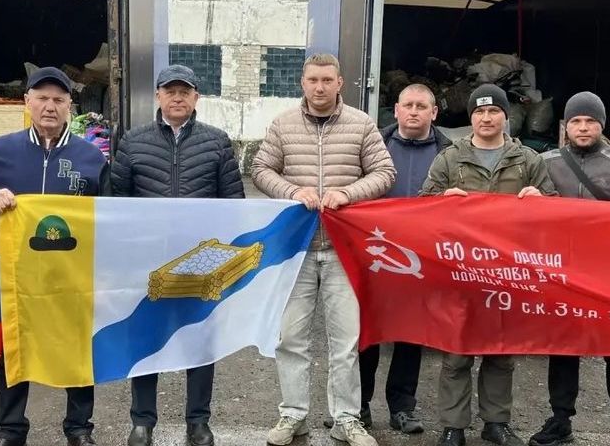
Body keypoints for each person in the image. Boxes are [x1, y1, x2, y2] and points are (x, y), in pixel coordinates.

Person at [253, 53, 396, 446]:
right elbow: (261, 169)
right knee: (290, 338)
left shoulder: (361, 124)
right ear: (303, 83)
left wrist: (348, 193)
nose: (319, 87)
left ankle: (346, 419)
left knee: (346, 342)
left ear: (339, 83)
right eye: (313, 80)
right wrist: (291, 190)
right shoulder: (283, 124)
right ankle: (293, 414)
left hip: (343, 251)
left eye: (327, 80)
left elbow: (385, 172)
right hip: (295, 251)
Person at [0, 67, 109, 446]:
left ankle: (79, 428)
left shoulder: (92, 158)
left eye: (58, 100)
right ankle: (11, 428)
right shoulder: (1, 151)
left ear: (69, 105)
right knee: (14, 348)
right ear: (27, 102)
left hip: (73, 275)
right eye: (42, 98)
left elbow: (110, 215)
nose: (50, 106)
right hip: (17, 275)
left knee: (78, 348)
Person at [110, 64, 244, 446]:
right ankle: (142, 421)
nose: (177, 97)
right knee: (145, 339)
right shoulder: (132, 142)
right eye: (170, 91)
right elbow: (116, 203)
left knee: (199, 342)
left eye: (185, 91)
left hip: (200, 263)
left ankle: (198, 421)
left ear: (196, 97)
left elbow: (234, 203)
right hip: (148, 262)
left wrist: (223, 258)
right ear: (158, 96)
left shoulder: (217, 142)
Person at [420, 83, 556, 446]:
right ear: (471, 118)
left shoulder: (528, 160)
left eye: (493, 110)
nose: (486, 118)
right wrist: (440, 200)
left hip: (507, 273)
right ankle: (453, 426)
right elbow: (421, 207)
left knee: (501, 352)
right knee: (456, 353)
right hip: (460, 271)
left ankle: (496, 423)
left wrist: (540, 200)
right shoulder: (450, 159)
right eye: (479, 112)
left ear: (505, 116)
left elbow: (555, 210)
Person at [327, 84, 449, 434]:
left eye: (421, 106)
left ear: (434, 113)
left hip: (422, 258)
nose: (414, 111)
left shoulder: (448, 152)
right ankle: (358, 406)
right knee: (366, 332)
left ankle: (403, 407)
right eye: (408, 105)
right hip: (374, 253)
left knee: (411, 334)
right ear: (396, 110)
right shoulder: (373, 143)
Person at [531, 92, 610, 446]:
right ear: (566, 126)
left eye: (591, 121)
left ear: (602, 124)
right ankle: (560, 419)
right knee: (563, 347)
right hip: (562, 273)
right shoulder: (545, 163)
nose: (583, 128)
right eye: (576, 121)